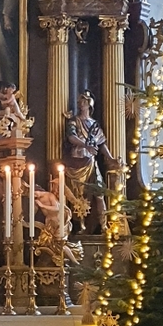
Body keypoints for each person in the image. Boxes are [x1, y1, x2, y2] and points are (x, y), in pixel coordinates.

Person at [64, 90, 120, 231]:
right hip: (77, 161)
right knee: (79, 195)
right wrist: (85, 145)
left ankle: (104, 225)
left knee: (99, 193)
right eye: (80, 101)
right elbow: (71, 137)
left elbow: (101, 144)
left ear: (90, 104)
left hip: (91, 162)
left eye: (84, 101)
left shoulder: (94, 124)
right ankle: (81, 225)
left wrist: (110, 158)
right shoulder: (74, 121)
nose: (81, 104)